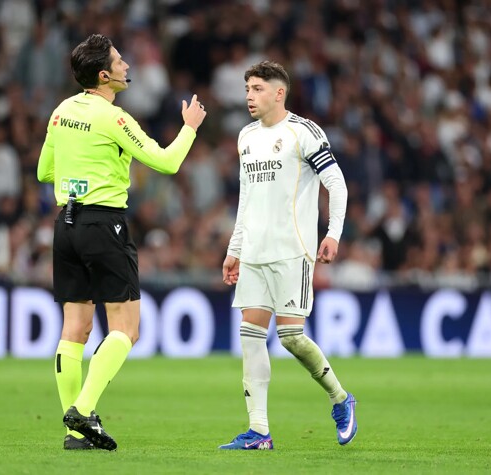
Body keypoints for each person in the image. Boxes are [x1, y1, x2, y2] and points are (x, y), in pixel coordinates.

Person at [36, 33, 206, 451]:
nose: (126, 65)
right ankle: (83, 410)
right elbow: (166, 161)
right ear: (103, 75)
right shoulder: (114, 118)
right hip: (103, 225)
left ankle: (75, 433)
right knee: (126, 330)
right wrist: (189, 128)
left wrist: (80, 169)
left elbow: (44, 172)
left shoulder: (61, 112)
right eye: (118, 61)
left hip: (66, 225)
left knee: (74, 329)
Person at [220, 61, 356, 450]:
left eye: (258, 88)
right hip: (254, 252)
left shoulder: (303, 132)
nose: (249, 96)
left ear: (279, 93)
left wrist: (333, 234)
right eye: (247, 88)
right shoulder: (246, 137)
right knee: (250, 336)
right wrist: (235, 249)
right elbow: (246, 198)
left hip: (292, 251)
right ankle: (259, 431)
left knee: (291, 337)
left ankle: (340, 398)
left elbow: (337, 185)